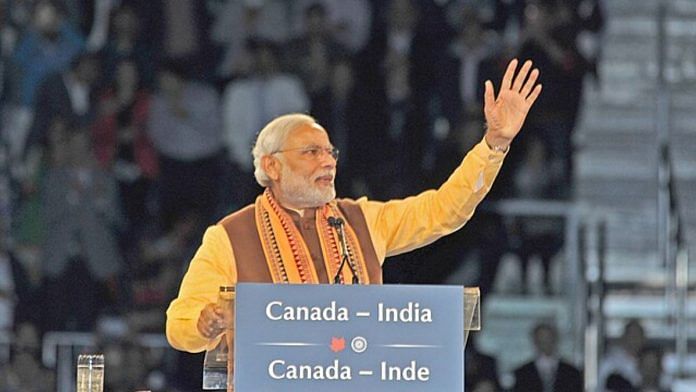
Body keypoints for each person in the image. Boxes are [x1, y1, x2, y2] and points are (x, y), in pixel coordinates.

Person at [166, 58, 542, 352]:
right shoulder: (230, 236)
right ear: (271, 165)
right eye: (311, 152)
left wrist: (493, 145)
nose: (328, 162)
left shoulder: (361, 220)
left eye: (330, 152)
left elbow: (444, 211)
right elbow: (179, 322)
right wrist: (205, 323)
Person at [513, 322, 583, 392]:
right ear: (534, 341)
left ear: (555, 339)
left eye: (548, 338)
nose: (545, 342)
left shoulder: (571, 373)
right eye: (541, 338)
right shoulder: (522, 374)